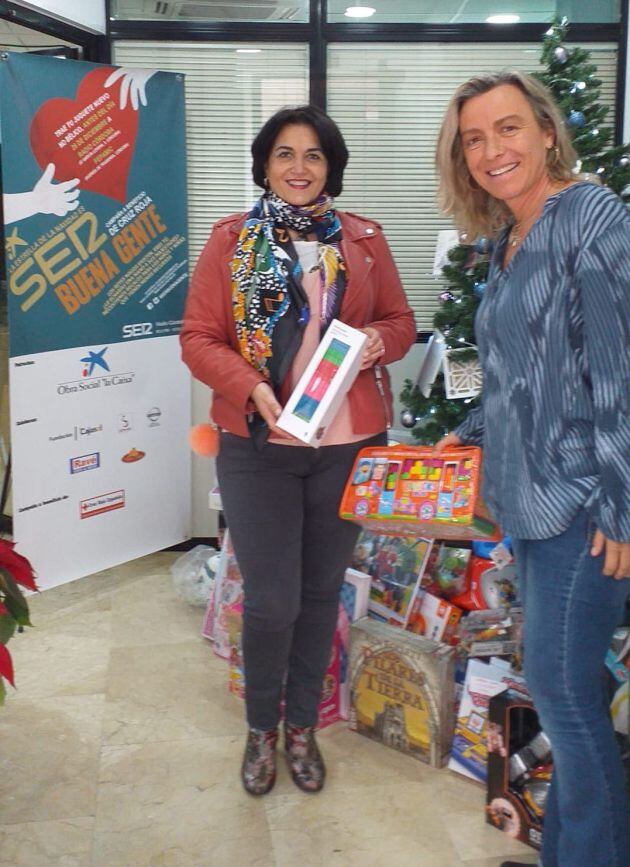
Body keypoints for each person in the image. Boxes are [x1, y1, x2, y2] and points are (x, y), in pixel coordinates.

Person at [180, 105, 415, 796]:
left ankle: (303, 727)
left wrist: (379, 341)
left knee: (318, 594)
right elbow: (198, 335)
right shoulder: (230, 241)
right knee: (273, 597)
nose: (299, 167)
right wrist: (249, 385)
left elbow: (400, 321)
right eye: (285, 153)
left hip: (347, 444)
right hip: (258, 444)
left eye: (313, 155)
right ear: (264, 164)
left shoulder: (365, 239)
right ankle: (261, 728)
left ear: (330, 167)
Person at [434, 70, 630, 867]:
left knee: (566, 696)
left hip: (584, 507)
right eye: (474, 139)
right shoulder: (505, 238)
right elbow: (519, 371)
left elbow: (619, 373)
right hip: (528, 499)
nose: (492, 150)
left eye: (508, 129)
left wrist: (623, 507)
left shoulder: (593, 216)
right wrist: (468, 429)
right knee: (567, 690)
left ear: (548, 131)